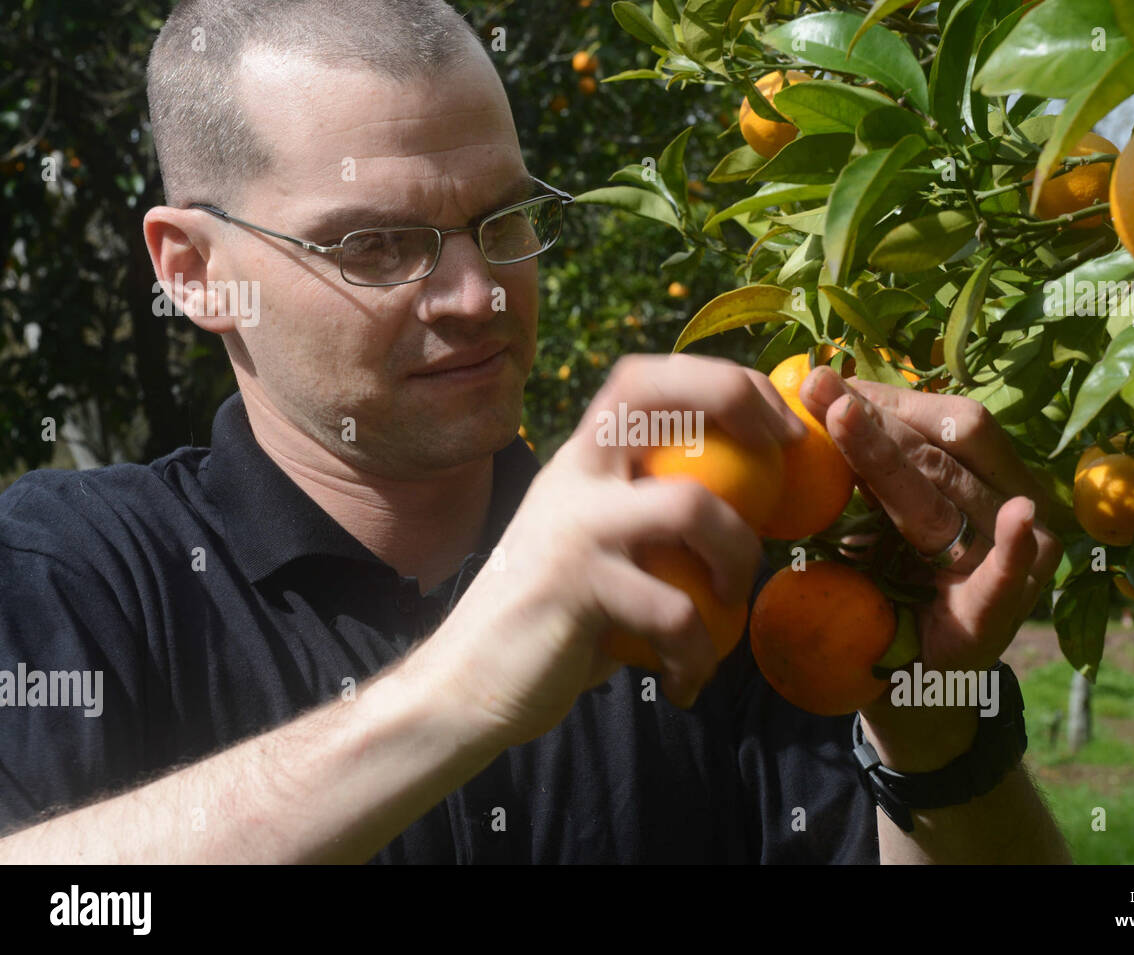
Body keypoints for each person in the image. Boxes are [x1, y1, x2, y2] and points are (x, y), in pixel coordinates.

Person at [0, 0, 1071, 864]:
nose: (478, 293)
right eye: (376, 243)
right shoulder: (74, 574)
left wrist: (927, 722)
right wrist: (455, 690)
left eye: (503, 221)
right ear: (195, 273)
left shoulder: (696, 558)